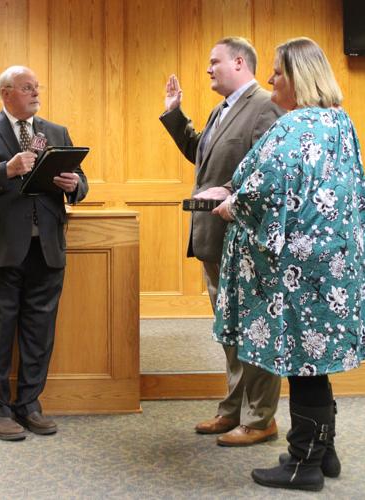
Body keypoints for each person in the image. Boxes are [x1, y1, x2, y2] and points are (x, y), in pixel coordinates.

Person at [213, 37, 365, 491]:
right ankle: (325, 451)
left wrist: (231, 205)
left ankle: (304, 464)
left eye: (277, 72)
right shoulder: (340, 123)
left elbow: (261, 190)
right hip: (333, 264)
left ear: (297, 77)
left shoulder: (293, 126)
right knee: (314, 364)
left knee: (302, 366)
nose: (271, 79)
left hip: (298, 273)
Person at [0, 65, 88, 441]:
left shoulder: (55, 132)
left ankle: (29, 404)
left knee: (39, 331)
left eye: (37, 87)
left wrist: (74, 184)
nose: (35, 93)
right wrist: (6, 169)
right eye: (27, 88)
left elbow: (81, 183)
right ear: (6, 93)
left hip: (46, 247)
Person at [160, 37, 283, 446]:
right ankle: (232, 411)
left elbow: (269, 169)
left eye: (214, 62)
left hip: (248, 242)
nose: (208, 69)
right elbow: (204, 156)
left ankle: (260, 417)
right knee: (230, 331)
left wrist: (232, 195)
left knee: (255, 330)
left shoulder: (266, 105)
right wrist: (176, 117)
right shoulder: (221, 109)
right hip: (215, 239)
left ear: (238, 61)